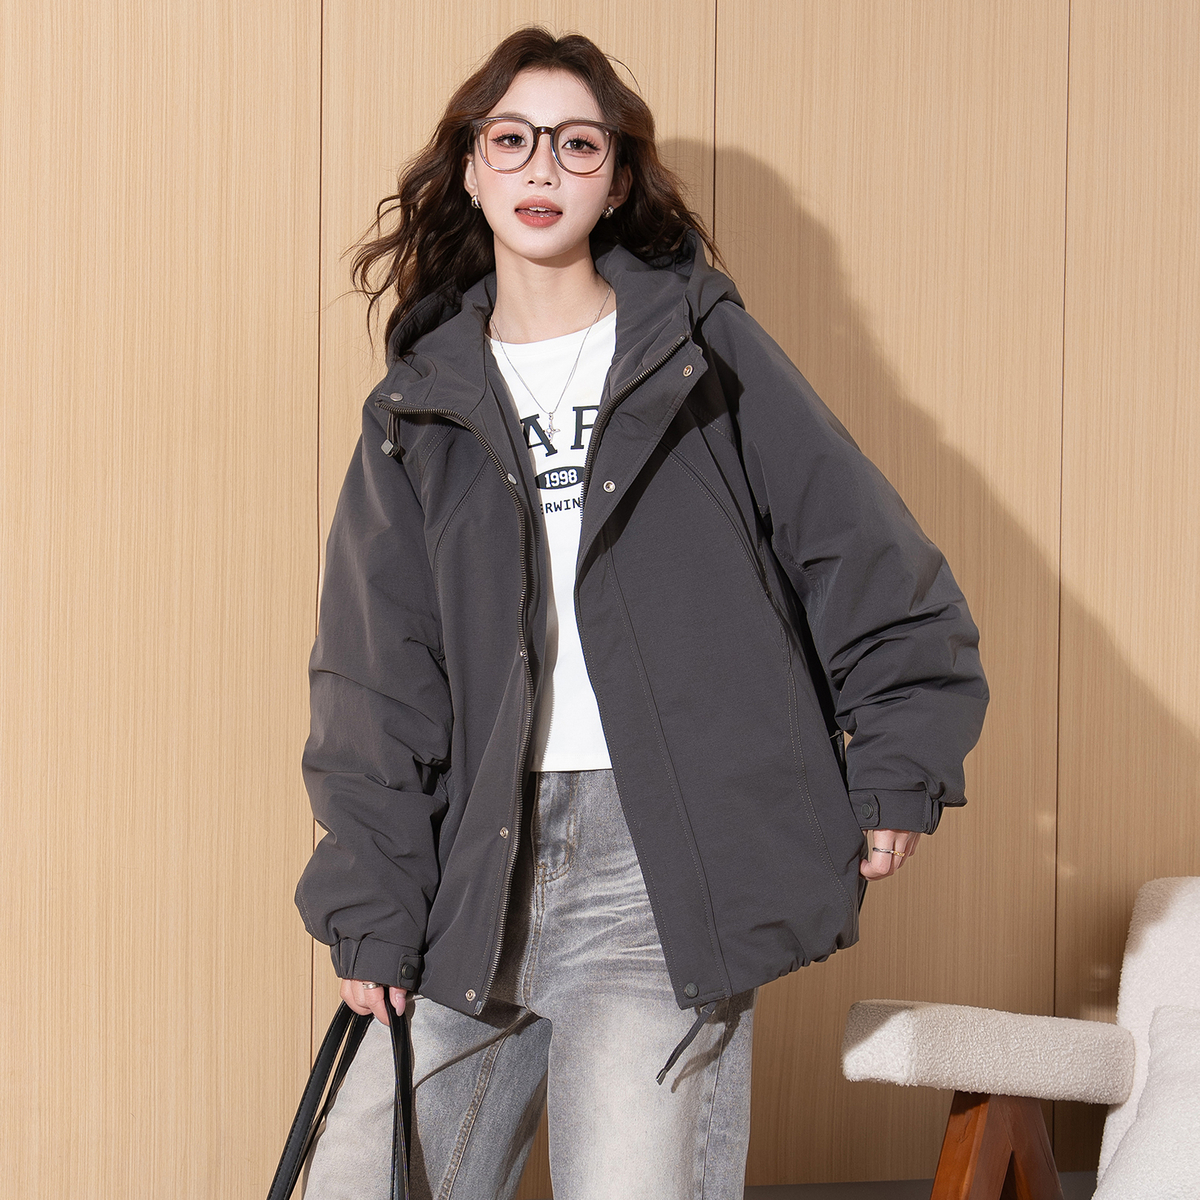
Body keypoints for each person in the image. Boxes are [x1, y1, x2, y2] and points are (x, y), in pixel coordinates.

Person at [294, 26, 988, 1200]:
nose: (542, 167)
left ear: (616, 180)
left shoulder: (700, 352)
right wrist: (374, 898)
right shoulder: (416, 407)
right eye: (511, 140)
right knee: (362, 1177)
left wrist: (899, 761)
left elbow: (859, 547)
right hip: (475, 864)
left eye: (577, 144)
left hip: (656, 861)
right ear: (471, 168)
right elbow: (375, 677)